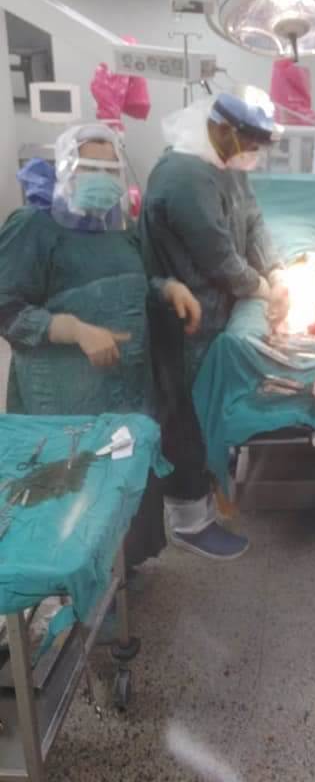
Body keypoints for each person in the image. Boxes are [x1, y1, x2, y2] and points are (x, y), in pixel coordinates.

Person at [0, 123, 201, 571]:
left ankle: (121, 571)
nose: (102, 178)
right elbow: (5, 307)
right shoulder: (33, 227)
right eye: (90, 167)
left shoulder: (118, 228)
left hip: (127, 390)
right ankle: (75, 586)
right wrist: (70, 329)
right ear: (65, 169)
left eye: (110, 169)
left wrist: (166, 288)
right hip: (65, 401)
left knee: (123, 480)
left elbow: (133, 280)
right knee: (72, 494)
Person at [140, 92, 288, 560]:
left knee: (207, 410)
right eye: (250, 143)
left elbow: (253, 221)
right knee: (186, 413)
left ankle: (206, 493)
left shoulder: (225, 163)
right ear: (222, 129)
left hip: (216, 311)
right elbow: (219, 258)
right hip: (183, 322)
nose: (253, 154)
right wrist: (261, 288)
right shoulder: (183, 176)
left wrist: (277, 270)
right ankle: (189, 519)